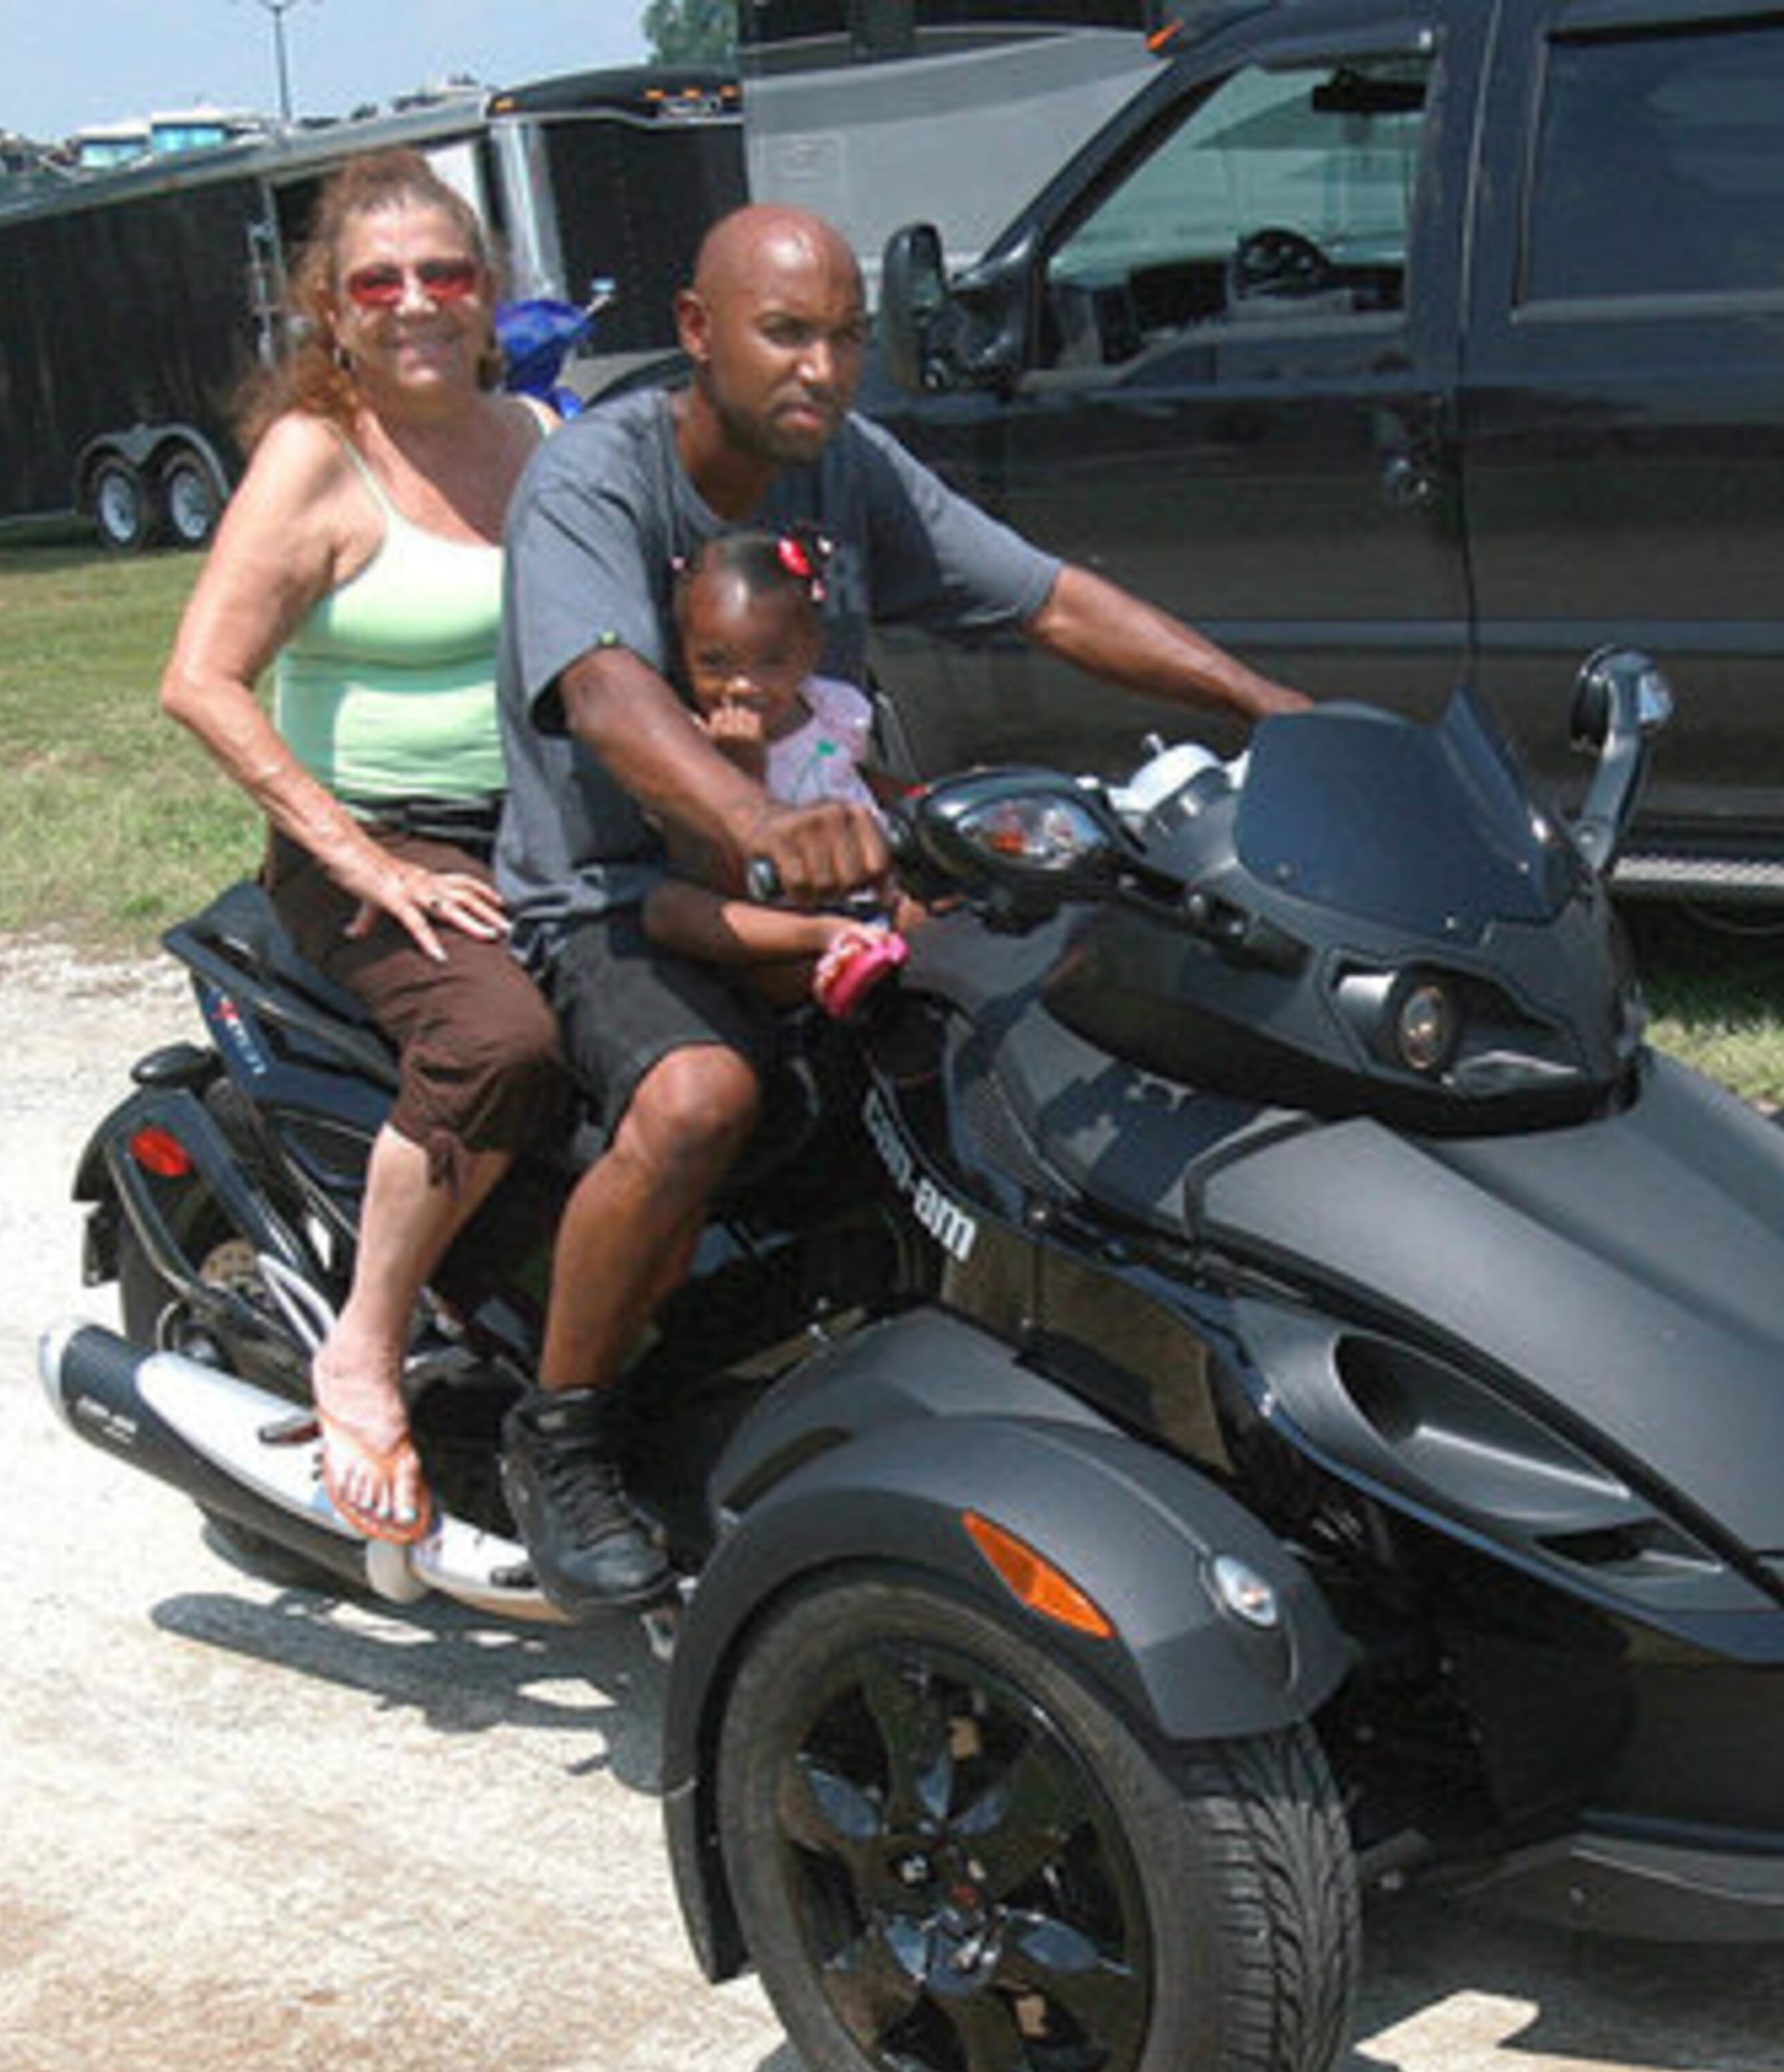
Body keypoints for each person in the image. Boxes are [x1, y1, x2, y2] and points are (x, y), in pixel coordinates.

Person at [492, 203, 1309, 1608]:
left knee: (1063, 1001)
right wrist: (752, 820)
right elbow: (610, 694)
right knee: (698, 1099)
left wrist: (1273, 709)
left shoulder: (849, 471)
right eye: (787, 334)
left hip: (835, 872)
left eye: (847, 338)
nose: (823, 368)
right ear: (699, 334)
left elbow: (1049, 600)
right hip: (624, 895)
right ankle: (559, 1432)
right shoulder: (594, 481)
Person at [159, 149, 564, 1551]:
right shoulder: (315, 456)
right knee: (502, 1042)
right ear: (328, 310)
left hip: (539, 829)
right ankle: (364, 1349)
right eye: (375, 282)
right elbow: (201, 679)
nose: (414, 305)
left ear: (487, 292)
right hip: (371, 846)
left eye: (442, 275)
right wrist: (363, 863)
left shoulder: (532, 435)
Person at [643, 525, 906, 1015]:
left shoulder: (835, 710)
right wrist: (740, 769)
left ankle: (869, 948)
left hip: (871, 888)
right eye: (715, 662)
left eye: (770, 661)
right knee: (668, 910)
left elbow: (858, 780)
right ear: (683, 655)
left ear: (808, 651)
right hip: (778, 922)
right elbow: (709, 875)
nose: (741, 685)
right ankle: (832, 944)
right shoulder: (687, 744)